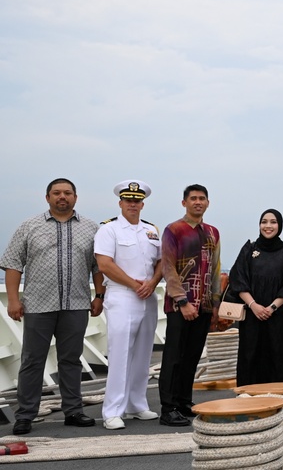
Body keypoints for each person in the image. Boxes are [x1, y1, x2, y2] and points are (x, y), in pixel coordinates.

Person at [2, 178, 104, 435]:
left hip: (77, 304)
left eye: (67, 193)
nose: (62, 197)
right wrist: (13, 300)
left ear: (75, 198)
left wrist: (99, 296)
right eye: (57, 193)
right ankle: (26, 415)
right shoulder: (29, 226)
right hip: (38, 305)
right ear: (47, 197)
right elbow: (14, 264)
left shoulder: (91, 228)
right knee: (32, 360)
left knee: (71, 360)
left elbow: (98, 267)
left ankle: (73, 411)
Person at [93, 180, 162, 430]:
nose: (133, 204)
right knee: (120, 353)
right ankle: (112, 410)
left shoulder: (151, 230)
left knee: (143, 353)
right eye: (128, 200)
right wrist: (136, 286)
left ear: (142, 204)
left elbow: (161, 262)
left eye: (137, 201)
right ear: (120, 203)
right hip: (122, 295)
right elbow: (104, 265)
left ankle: (136, 404)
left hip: (148, 296)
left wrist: (152, 283)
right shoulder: (108, 230)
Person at [158, 184, 221, 427]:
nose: (198, 202)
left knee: (192, 357)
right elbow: (168, 267)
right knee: (173, 357)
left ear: (207, 202)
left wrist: (215, 303)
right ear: (184, 202)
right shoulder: (173, 230)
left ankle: (184, 401)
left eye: (202, 198)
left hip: (204, 306)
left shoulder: (213, 232)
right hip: (179, 306)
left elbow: (216, 269)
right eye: (193, 198)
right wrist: (182, 301)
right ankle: (168, 407)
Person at [228, 209, 283, 387]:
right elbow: (238, 279)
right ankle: (248, 398)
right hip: (252, 316)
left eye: (273, 222)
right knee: (250, 356)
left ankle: (278, 398)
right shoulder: (249, 250)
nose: (268, 226)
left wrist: (271, 308)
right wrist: (254, 306)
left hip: (278, 317)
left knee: (277, 355)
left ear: (280, 225)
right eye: (264, 222)